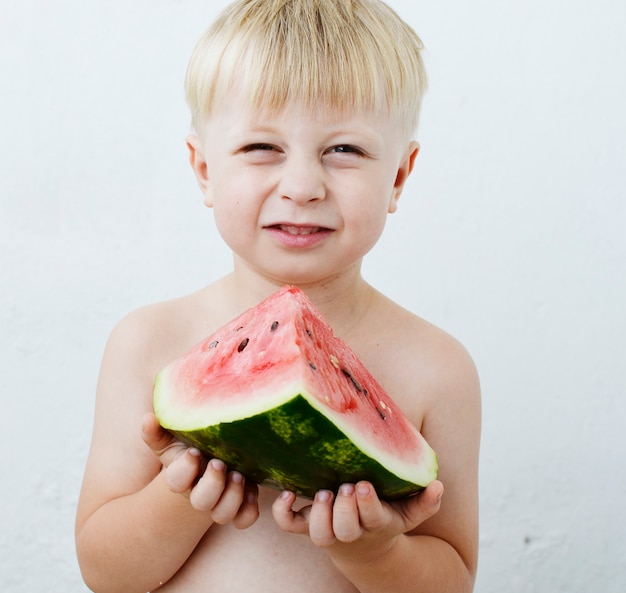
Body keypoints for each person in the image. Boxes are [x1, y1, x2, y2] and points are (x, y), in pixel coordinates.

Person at [75, 1, 481, 591]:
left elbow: (452, 579)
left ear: (398, 176)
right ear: (204, 169)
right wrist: (180, 497)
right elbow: (105, 573)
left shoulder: (438, 368)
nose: (302, 187)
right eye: (261, 148)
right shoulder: (148, 342)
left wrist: (375, 553)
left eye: (345, 150)